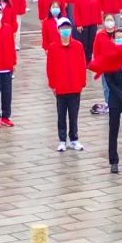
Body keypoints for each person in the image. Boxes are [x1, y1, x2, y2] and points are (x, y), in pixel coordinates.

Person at [46, 17, 87, 152]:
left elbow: (82, 65)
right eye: (63, 28)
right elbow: (50, 68)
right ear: (58, 30)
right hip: (61, 87)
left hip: (75, 86)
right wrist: (52, 85)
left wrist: (82, 83)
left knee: (74, 115)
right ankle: (62, 140)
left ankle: (74, 138)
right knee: (61, 115)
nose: (65, 30)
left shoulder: (78, 46)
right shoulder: (53, 47)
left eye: (68, 27)